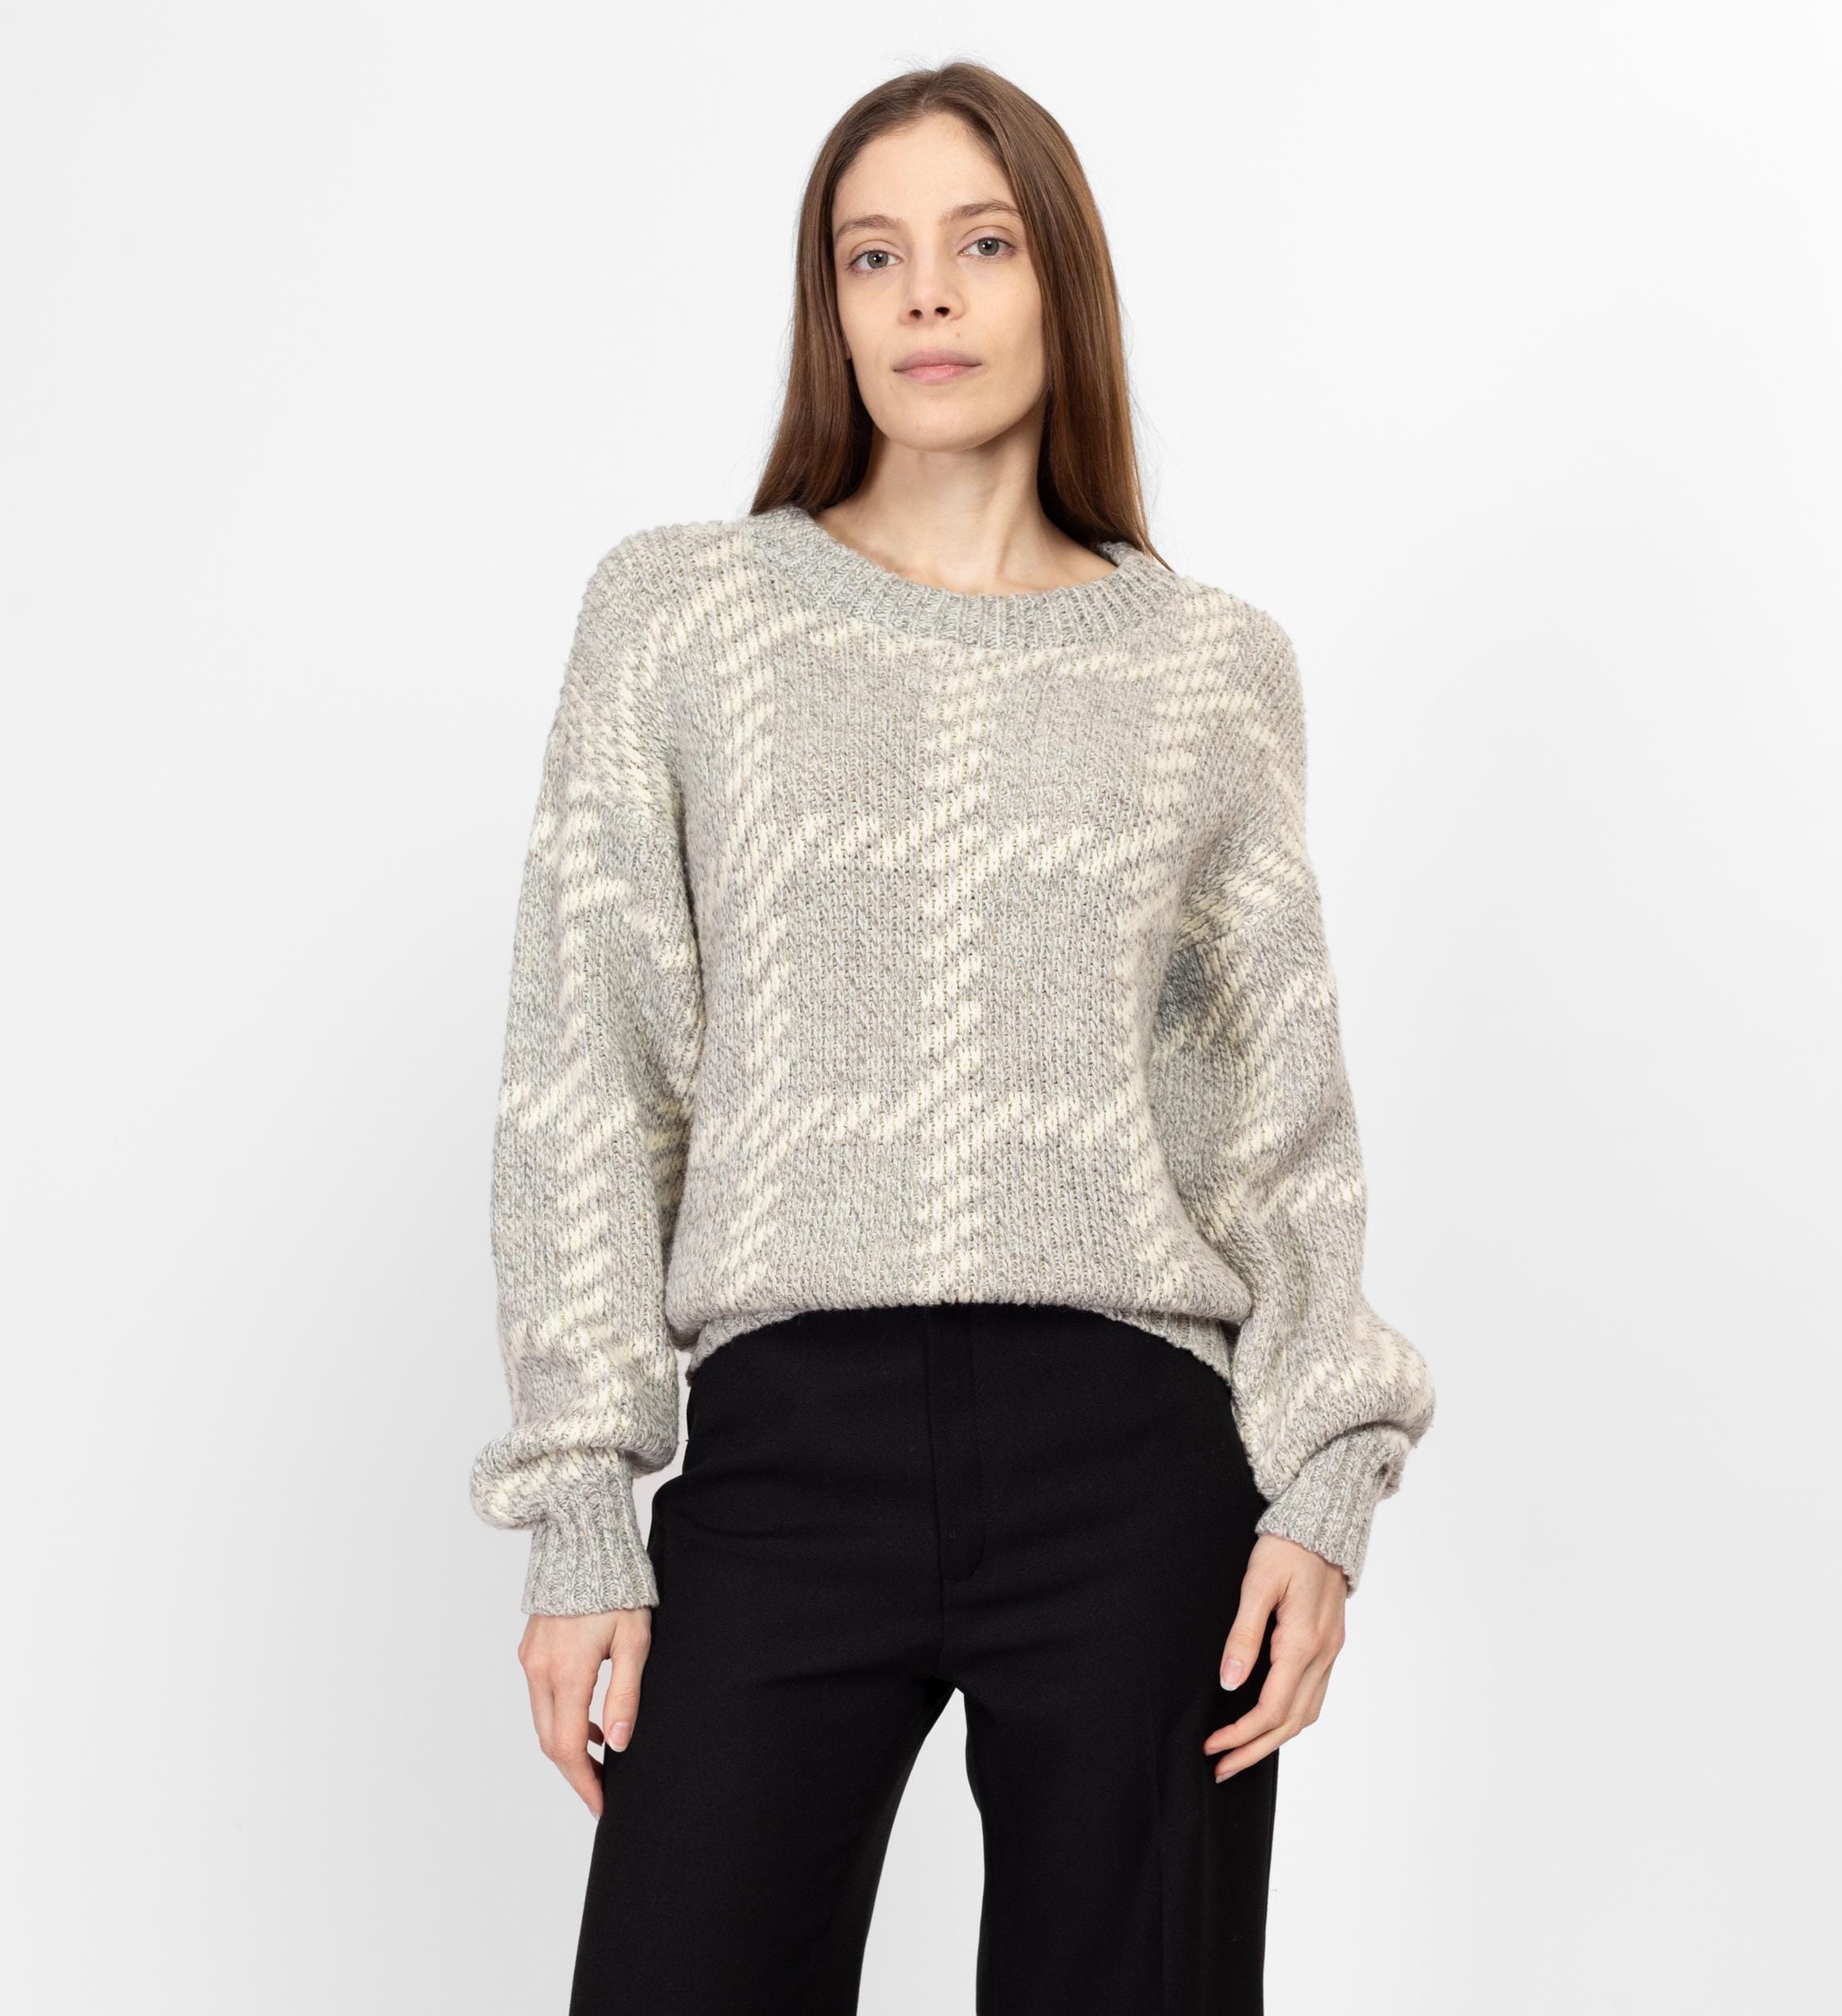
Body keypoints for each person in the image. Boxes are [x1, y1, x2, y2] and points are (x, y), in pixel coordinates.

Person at [469, 58, 1436, 2016]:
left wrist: (1323, 1487)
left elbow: (1271, 1112)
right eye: (871, 254)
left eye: (980, 244)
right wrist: (583, 1514)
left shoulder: (1205, 666)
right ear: (826, 305)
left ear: (1057, 278)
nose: (924, 292)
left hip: (1131, 1461)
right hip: (784, 1446)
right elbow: (591, 1069)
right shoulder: (681, 617)